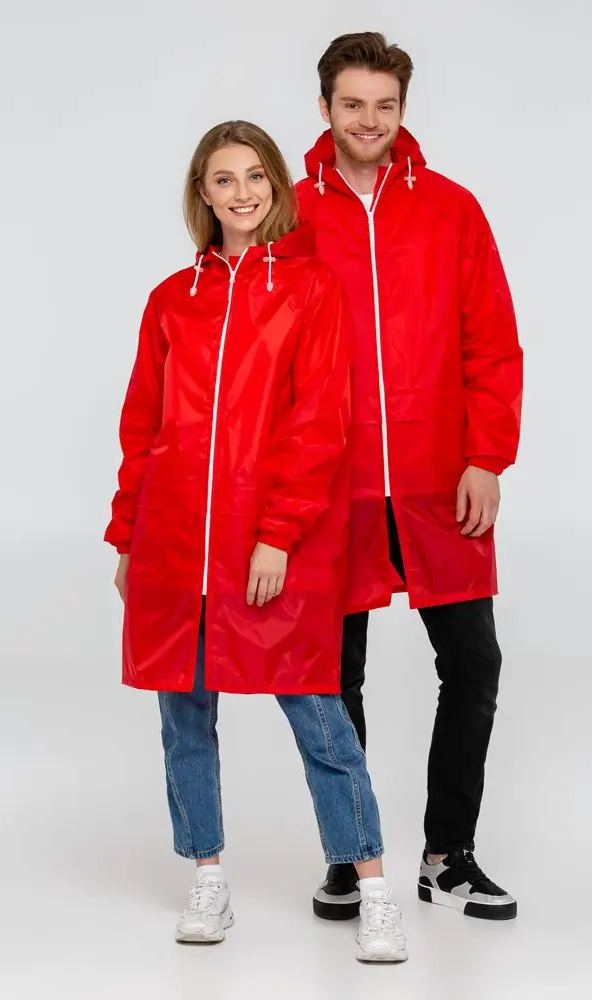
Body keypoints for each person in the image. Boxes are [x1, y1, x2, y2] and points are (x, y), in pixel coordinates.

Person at [104, 121, 408, 962]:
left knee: (320, 716)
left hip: (271, 546)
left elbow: (320, 426)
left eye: (255, 177)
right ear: (203, 194)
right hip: (174, 547)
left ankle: (373, 888)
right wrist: (127, 537)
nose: (241, 193)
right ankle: (208, 876)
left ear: (275, 185)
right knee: (183, 719)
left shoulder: (310, 290)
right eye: (223, 179)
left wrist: (276, 536)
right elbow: (143, 426)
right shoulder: (172, 300)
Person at [296, 33, 524, 922]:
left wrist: (486, 457)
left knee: (473, 662)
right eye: (353, 104)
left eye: (385, 105)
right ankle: (350, 854)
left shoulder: (452, 210)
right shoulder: (290, 218)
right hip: (332, 482)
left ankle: (447, 854)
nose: (369, 121)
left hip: (439, 479)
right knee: (333, 674)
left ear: (403, 109)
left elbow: (491, 340)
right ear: (324, 107)